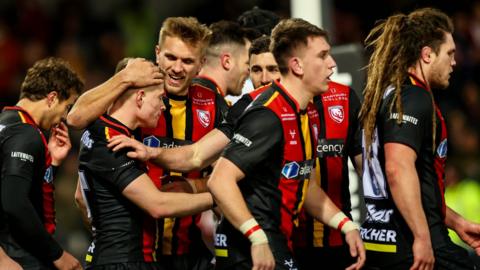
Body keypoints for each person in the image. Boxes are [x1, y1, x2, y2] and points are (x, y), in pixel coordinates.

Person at [207, 18, 365, 270]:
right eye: (323, 55)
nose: (332, 64)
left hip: (276, 240)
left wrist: (345, 225)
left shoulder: (303, 113)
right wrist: (256, 237)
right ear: (297, 65)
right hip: (253, 247)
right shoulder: (268, 115)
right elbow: (219, 180)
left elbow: (306, 185)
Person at [359, 7, 480, 270]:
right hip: (415, 244)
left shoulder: (392, 94)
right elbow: (397, 169)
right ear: (427, 55)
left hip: (382, 239)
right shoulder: (413, 99)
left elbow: (420, 187)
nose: (454, 62)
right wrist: (423, 238)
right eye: (449, 53)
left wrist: (457, 223)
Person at [75, 58, 215, 269]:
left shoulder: (101, 130)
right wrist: (217, 197)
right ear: (140, 97)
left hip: (111, 257)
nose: (163, 106)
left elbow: (80, 197)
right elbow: (158, 205)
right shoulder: (114, 142)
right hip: (126, 262)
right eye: (159, 98)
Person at [0, 57, 83, 269]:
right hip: (16, 253)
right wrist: (57, 255)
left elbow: (18, 187)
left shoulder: (7, 123)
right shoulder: (26, 135)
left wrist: (51, 163)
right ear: (52, 98)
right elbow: (14, 202)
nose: (64, 117)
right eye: (67, 107)